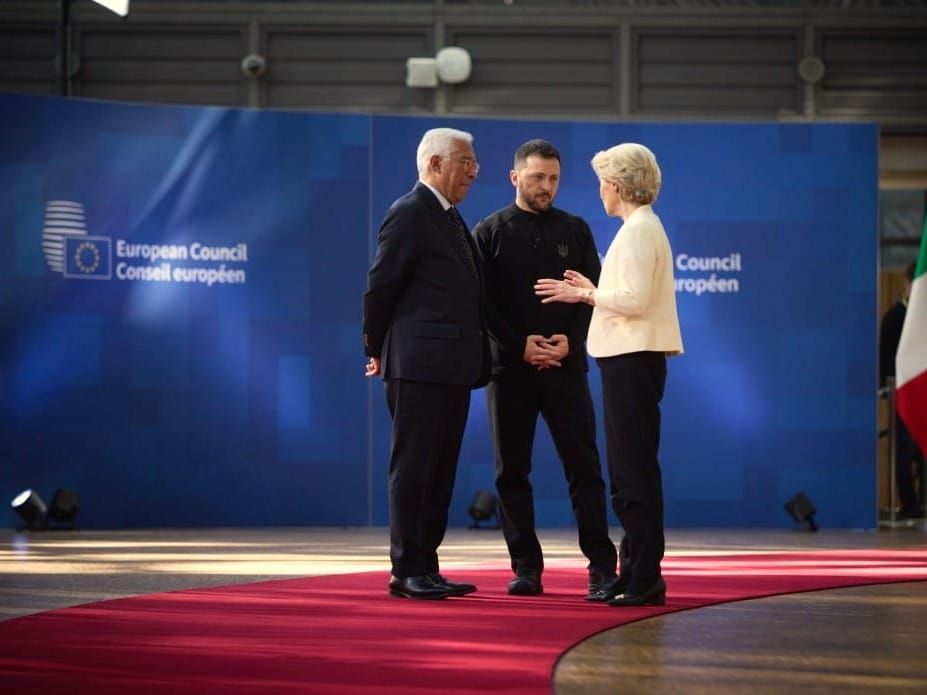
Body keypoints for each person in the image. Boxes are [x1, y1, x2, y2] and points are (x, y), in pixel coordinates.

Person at [535, 143, 683, 607]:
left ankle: (645, 578)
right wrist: (594, 291)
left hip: (632, 359)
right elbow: (628, 294)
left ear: (617, 186)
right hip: (629, 358)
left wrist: (585, 296)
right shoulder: (639, 228)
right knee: (626, 471)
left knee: (633, 471)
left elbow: (633, 299)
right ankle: (633, 569)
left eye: (602, 182)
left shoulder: (639, 231)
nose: (599, 191)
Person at [472, 139, 619, 599]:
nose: (547, 187)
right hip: (509, 371)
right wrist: (521, 347)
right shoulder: (489, 231)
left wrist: (568, 344)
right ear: (515, 177)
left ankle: (602, 568)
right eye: (537, 177)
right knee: (511, 472)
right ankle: (526, 569)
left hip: (566, 368)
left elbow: (591, 295)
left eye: (553, 178)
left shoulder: (575, 229)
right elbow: (482, 304)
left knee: (585, 468)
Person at [363, 127, 490, 599]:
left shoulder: (450, 217)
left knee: (439, 471)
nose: (475, 170)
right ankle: (405, 570)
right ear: (435, 164)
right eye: (465, 161)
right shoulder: (410, 212)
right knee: (414, 469)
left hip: (452, 367)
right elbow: (380, 287)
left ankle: (428, 566)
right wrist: (373, 348)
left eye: (475, 162)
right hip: (417, 364)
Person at [880, 261, 925, 519]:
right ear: (908, 285)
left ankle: (923, 502)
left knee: (923, 453)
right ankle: (910, 506)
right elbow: (886, 357)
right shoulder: (895, 317)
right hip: (903, 393)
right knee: (905, 452)